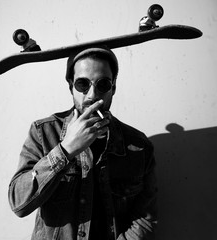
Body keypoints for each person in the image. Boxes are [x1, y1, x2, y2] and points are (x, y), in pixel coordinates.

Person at [8, 46, 157, 240]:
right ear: (70, 86)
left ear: (113, 88)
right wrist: (65, 149)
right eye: (82, 84)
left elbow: (145, 218)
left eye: (103, 84)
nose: (92, 95)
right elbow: (19, 203)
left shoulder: (139, 146)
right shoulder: (43, 132)